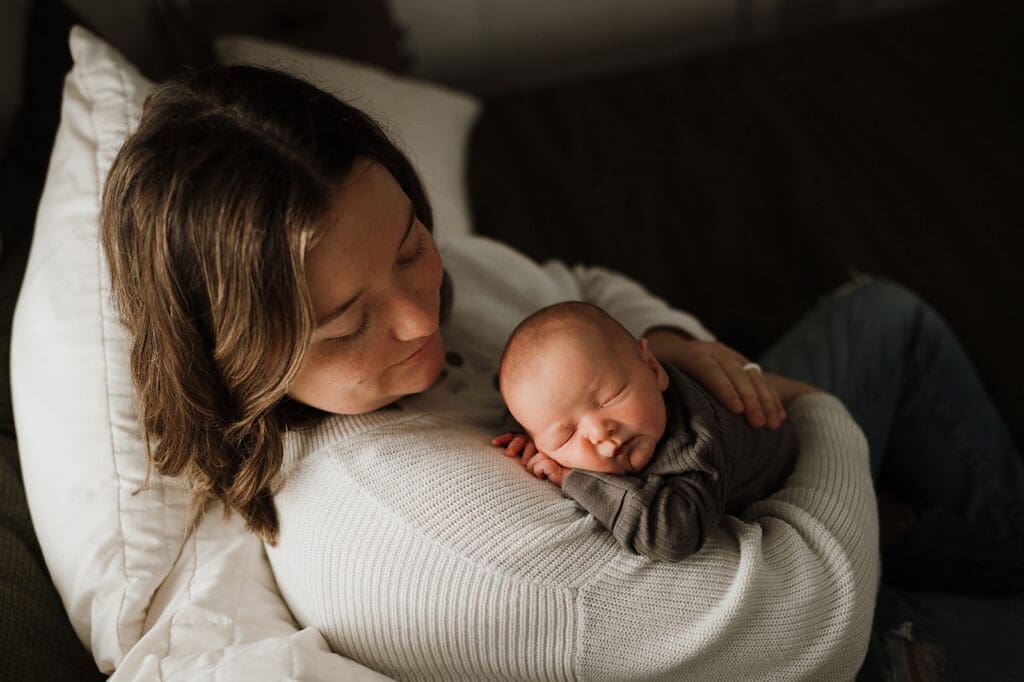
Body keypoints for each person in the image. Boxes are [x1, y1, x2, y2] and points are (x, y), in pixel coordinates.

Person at [99, 64, 1024, 680]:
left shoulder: (382, 259)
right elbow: (813, 621)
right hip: (819, 622)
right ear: (236, 360)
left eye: (413, 247)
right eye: (350, 326)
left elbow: (582, 287)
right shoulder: (418, 537)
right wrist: (819, 418)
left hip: (725, 450)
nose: (426, 314)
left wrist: (664, 344)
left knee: (884, 318)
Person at [492, 301, 798, 562]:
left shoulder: (694, 444)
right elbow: (537, 401)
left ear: (653, 368)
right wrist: (523, 436)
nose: (600, 432)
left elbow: (674, 534)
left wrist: (574, 478)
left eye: (610, 397)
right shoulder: (585, 395)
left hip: (787, 460)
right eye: (567, 434)